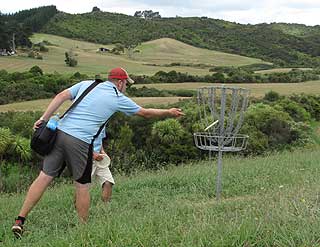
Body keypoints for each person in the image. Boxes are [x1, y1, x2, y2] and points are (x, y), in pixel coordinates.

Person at [12, 67, 184, 238]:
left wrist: (43, 119)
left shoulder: (87, 84)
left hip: (59, 133)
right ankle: (83, 231)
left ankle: (20, 220)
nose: (126, 88)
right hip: (79, 142)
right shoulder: (118, 98)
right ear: (120, 82)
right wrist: (168, 112)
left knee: (44, 177)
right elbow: (145, 113)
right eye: (126, 84)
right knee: (82, 186)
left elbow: (60, 96)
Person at [92, 128, 114, 203]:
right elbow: (79, 142)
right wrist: (92, 154)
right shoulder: (86, 121)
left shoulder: (102, 122)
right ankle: (77, 210)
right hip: (86, 160)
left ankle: (105, 208)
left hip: (100, 159)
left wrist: (102, 151)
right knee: (82, 187)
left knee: (108, 182)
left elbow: (99, 139)